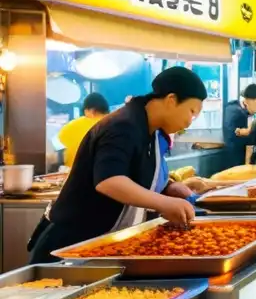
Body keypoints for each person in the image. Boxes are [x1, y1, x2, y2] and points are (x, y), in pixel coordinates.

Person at [28, 67, 205, 263]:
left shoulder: (150, 131)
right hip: (70, 246)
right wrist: (164, 203)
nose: (190, 122)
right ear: (171, 100)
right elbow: (109, 181)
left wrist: (168, 188)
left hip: (102, 243)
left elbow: (137, 176)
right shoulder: (123, 125)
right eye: (192, 112)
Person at [58, 92, 110, 168]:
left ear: (92, 111)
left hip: (71, 173)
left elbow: (57, 154)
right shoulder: (113, 124)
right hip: (106, 172)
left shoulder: (70, 126)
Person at [223, 83, 256, 165]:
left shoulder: (238, 109)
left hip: (238, 156)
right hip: (236, 158)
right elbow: (236, 137)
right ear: (249, 100)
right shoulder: (236, 113)